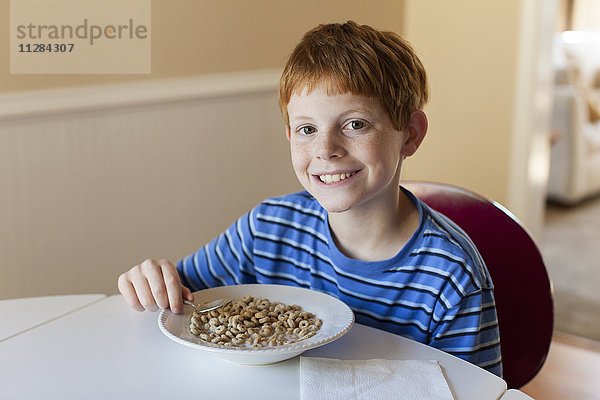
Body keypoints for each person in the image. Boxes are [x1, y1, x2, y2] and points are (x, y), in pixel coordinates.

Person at [118, 21, 502, 376]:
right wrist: (151, 280)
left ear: (411, 134)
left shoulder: (451, 277)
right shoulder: (267, 229)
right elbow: (183, 296)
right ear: (289, 135)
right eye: (307, 129)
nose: (326, 149)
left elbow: (473, 390)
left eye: (355, 124)